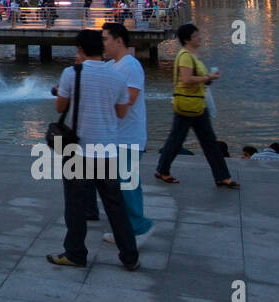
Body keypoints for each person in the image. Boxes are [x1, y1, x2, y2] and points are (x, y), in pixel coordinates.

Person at [46, 29, 139, 270]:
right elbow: (121, 113)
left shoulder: (71, 73)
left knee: (75, 205)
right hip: (107, 151)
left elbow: (60, 107)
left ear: (80, 50)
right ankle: (130, 256)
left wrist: (66, 94)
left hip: (78, 150)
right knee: (115, 207)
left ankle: (76, 253)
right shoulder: (118, 78)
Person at [154, 23, 239, 188]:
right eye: (196, 36)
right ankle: (163, 170)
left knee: (205, 142)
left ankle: (222, 176)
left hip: (196, 104)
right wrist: (207, 77)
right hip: (188, 105)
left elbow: (195, 79)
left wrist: (208, 78)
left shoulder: (192, 55)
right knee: (182, 141)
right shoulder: (185, 56)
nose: (199, 38)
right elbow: (186, 80)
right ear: (187, 39)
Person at [101, 22, 154, 242]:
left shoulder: (130, 66)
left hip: (129, 136)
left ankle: (139, 227)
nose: (102, 43)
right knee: (120, 185)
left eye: (105, 38)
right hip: (117, 137)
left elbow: (129, 99)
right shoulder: (113, 65)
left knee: (128, 185)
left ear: (119, 40)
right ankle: (125, 228)